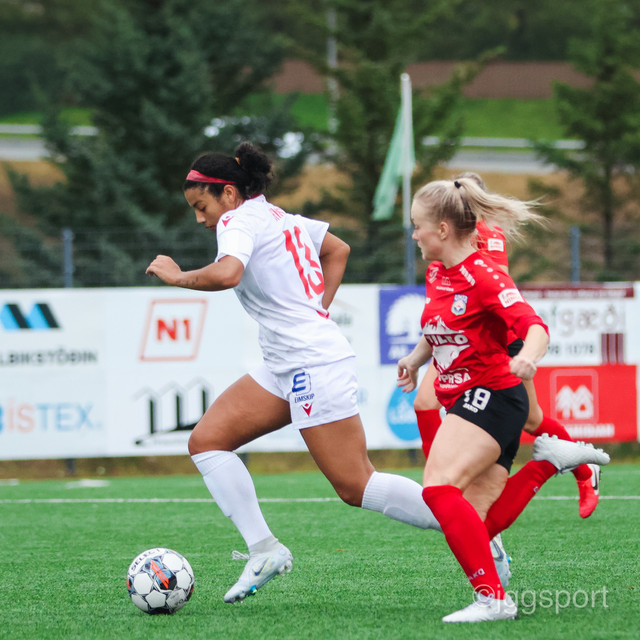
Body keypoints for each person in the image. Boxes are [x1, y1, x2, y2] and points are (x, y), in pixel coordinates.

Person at [145, 142, 445, 604]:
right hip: (286, 362)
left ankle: (471, 525)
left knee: (356, 485)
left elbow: (228, 274)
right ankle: (264, 549)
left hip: (311, 362)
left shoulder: (237, 221)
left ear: (228, 194)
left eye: (201, 206)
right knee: (207, 441)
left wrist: (177, 275)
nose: (201, 219)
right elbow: (338, 249)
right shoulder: (277, 216)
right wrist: (315, 311)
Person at [397, 177, 610, 623]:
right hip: (472, 397)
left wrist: (528, 357)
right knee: (478, 522)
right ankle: (547, 463)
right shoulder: (437, 272)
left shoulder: (484, 274)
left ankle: (493, 600)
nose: (413, 235)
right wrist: (415, 360)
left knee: (438, 488)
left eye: (417, 226)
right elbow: (439, 328)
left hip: (491, 394)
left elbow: (534, 326)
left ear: (442, 229)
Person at [413, 172, 600, 520]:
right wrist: (414, 357)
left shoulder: (485, 236)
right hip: (461, 340)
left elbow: (486, 299)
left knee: (532, 419)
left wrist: (524, 352)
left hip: (491, 339)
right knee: (425, 403)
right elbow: (447, 309)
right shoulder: (443, 254)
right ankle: (448, 487)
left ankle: (583, 470)